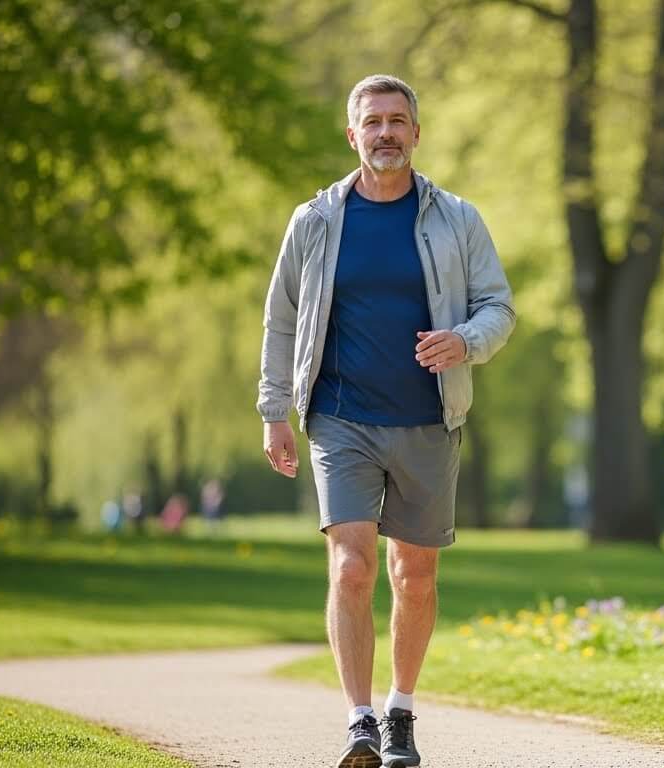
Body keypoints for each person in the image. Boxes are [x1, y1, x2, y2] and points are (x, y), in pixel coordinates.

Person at [256, 74, 515, 768]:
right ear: (352, 135)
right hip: (340, 418)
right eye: (372, 122)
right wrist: (274, 410)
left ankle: (400, 712)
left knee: (415, 575)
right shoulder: (314, 221)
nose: (386, 133)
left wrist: (465, 340)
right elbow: (281, 321)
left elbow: (498, 305)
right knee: (351, 566)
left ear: (416, 134)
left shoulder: (456, 218)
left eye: (398, 121)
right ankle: (358, 721)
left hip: (429, 419)